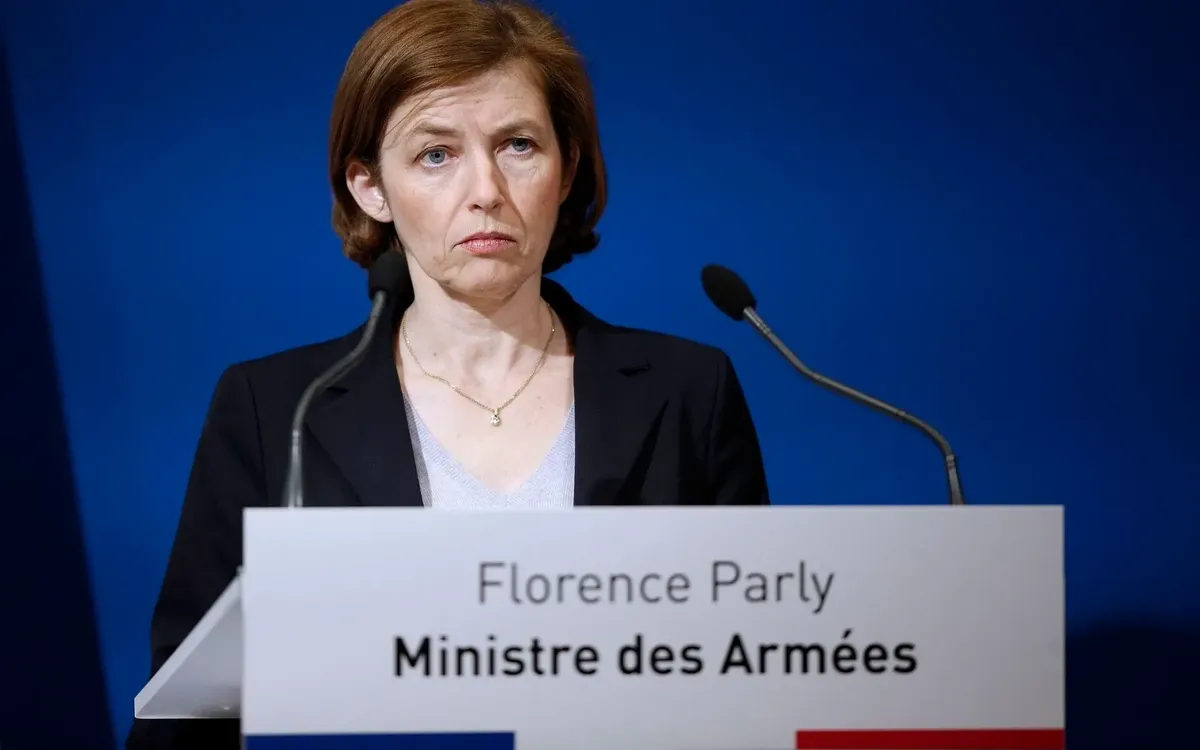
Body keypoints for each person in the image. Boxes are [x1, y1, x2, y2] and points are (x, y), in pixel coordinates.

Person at [126, 0, 768, 746]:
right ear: (370, 187)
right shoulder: (277, 410)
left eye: (518, 145)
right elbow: (186, 714)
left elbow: (755, 678)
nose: (486, 190)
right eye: (436, 154)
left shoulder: (688, 390)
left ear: (566, 169)